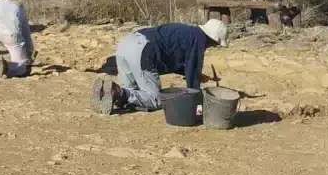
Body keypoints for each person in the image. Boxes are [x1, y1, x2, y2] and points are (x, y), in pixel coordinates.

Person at [91, 19, 229, 114]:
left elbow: (177, 61)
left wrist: (197, 75)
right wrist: (196, 105)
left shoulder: (188, 33)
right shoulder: (199, 39)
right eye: (215, 44)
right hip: (142, 49)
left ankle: (106, 93)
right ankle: (116, 92)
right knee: (156, 100)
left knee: (132, 91)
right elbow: (192, 76)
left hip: (126, 44)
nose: (212, 47)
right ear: (213, 38)